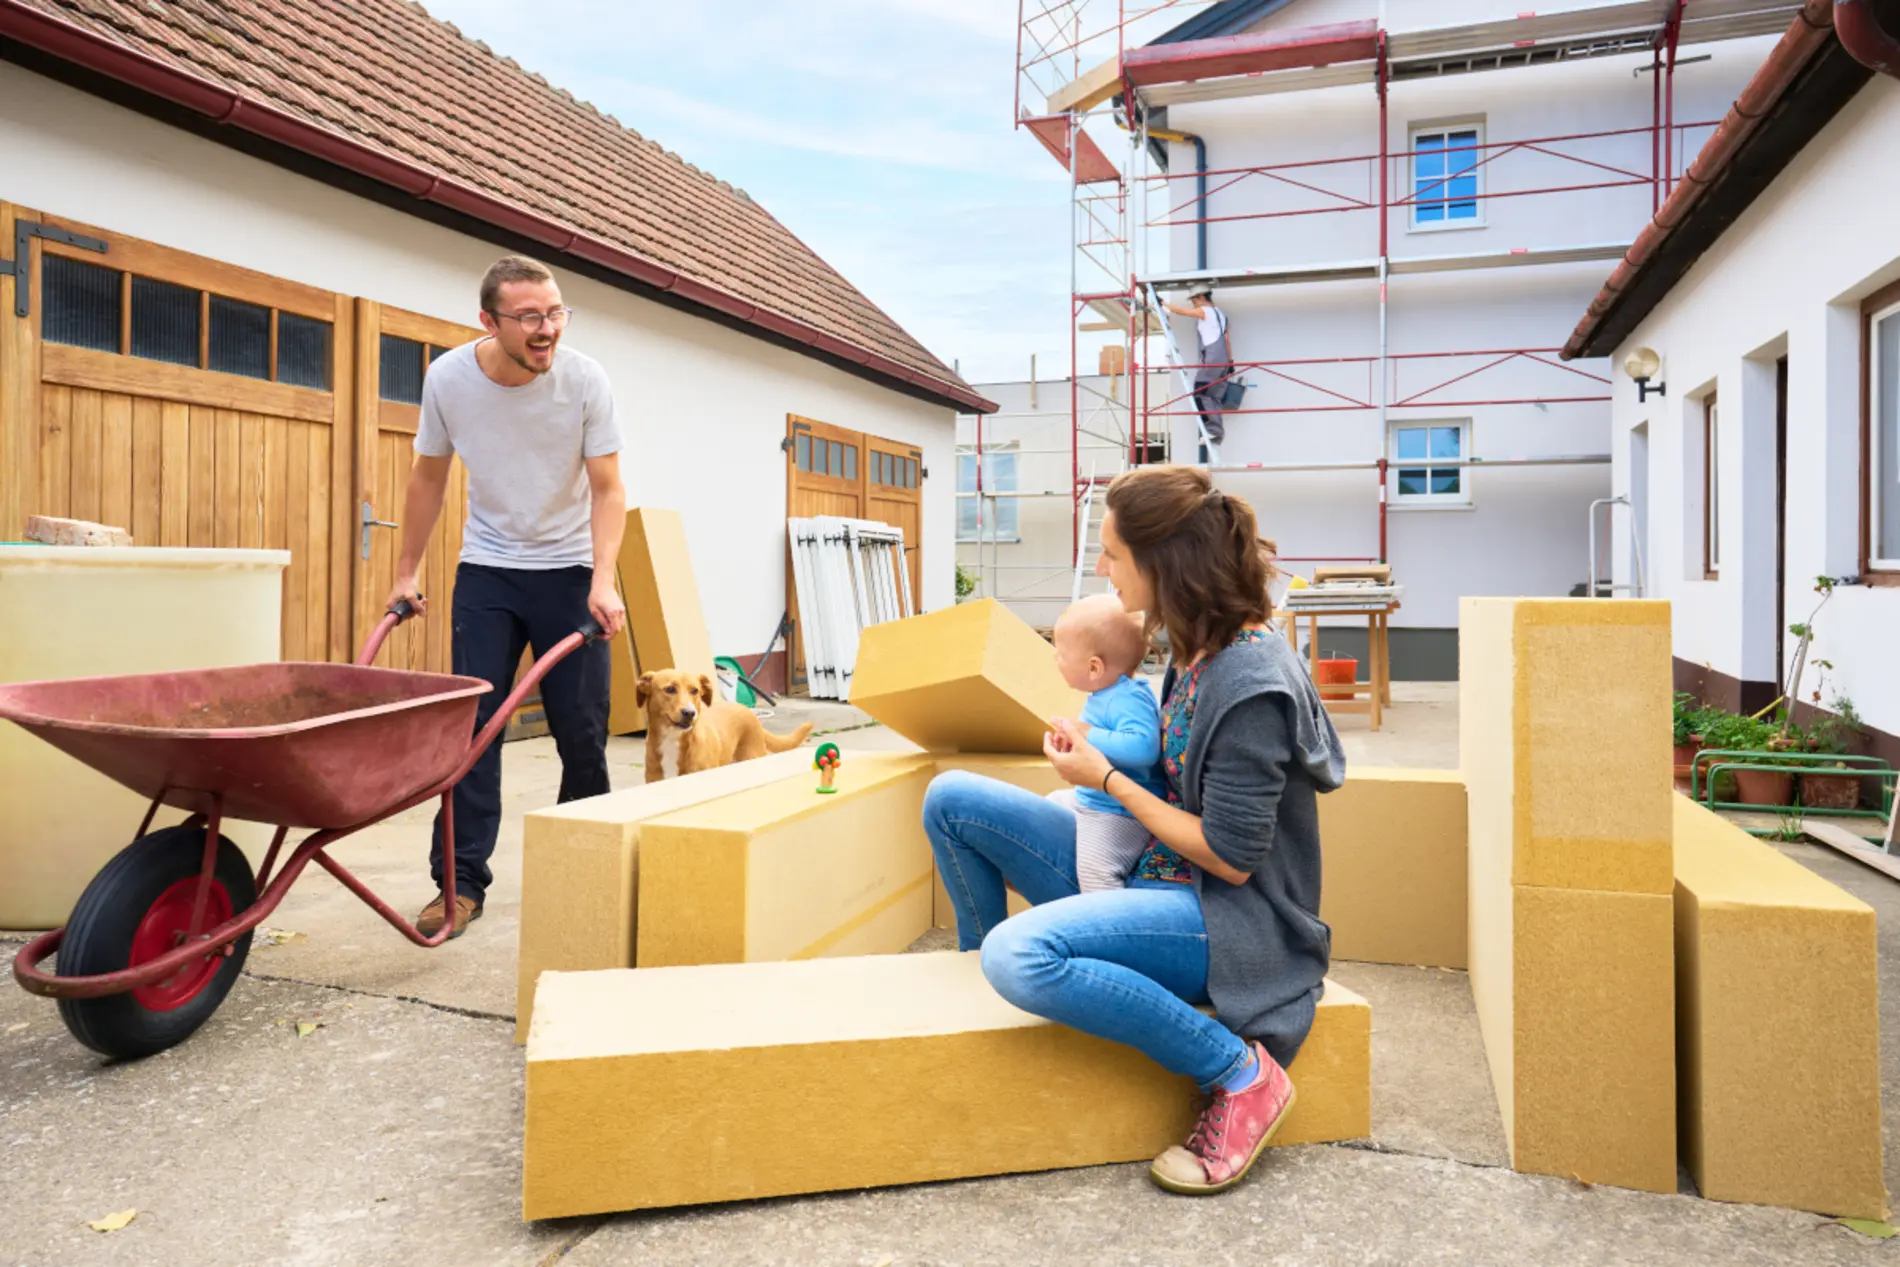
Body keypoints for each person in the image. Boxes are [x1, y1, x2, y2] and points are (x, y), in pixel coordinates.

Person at [923, 464, 1345, 1196]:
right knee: (951, 798)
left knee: (1021, 956)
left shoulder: (1251, 685)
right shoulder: (1196, 647)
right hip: (1156, 871)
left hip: (1232, 917)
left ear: (1162, 562)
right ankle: (975, 983)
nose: (1100, 566)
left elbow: (1233, 858)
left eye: (1113, 553)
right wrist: (1095, 774)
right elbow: (1168, 777)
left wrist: (1106, 780)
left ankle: (1241, 1075)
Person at [388, 255, 628, 939]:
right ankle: (458, 885)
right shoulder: (449, 379)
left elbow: (609, 489)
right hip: (489, 569)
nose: (547, 327)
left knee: (582, 734)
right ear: (488, 321)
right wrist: (406, 569)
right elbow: (428, 478)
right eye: (529, 316)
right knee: (474, 729)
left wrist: (603, 581)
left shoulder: (585, 380)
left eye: (555, 312)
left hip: (572, 569)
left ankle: (586, 872)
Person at [1048, 594, 1165, 893]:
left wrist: (1086, 733)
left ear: (1094, 667)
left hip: (1119, 813)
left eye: (1061, 653)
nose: (1055, 659)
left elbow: (1143, 747)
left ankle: (1109, 926)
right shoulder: (1105, 694)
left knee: (1095, 871)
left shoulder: (1129, 698)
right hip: (1090, 800)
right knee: (1041, 807)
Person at [1162, 287, 1233, 463]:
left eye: (1194, 299)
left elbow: (1182, 312)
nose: (1193, 303)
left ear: (1202, 297)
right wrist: (1231, 362)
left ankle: (1212, 430)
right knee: (1213, 396)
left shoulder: (1206, 311)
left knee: (1200, 391)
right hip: (1222, 360)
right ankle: (1215, 433)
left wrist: (1162, 302)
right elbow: (1226, 340)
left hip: (1213, 358)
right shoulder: (1221, 315)